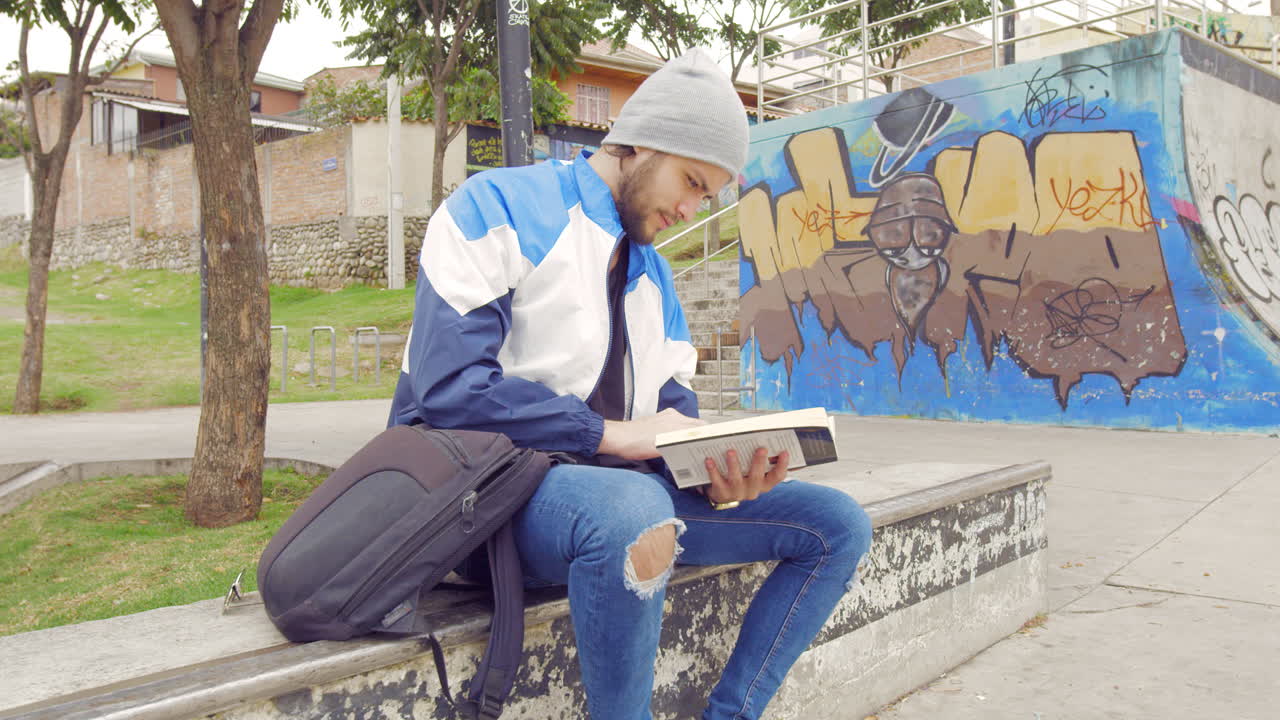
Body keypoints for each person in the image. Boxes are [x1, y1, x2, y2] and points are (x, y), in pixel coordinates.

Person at [388, 48, 872, 720]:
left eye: (709, 195)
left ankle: (731, 713)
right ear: (640, 142)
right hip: (481, 508)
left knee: (835, 526)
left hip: (620, 508)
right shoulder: (497, 207)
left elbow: (667, 428)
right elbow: (448, 394)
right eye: (692, 181)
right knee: (629, 510)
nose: (692, 207)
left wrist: (720, 476)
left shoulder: (657, 282)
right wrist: (608, 436)